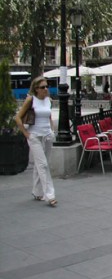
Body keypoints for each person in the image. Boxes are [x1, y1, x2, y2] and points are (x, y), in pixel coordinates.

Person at [14, 76, 57, 207]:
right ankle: (49, 195)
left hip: (47, 135)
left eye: (46, 86)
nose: (46, 89)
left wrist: (52, 129)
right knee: (42, 164)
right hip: (34, 136)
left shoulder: (48, 101)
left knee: (44, 164)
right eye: (42, 87)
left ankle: (37, 191)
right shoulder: (31, 100)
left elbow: (49, 115)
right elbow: (18, 118)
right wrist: (27, 134)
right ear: (36, 89)